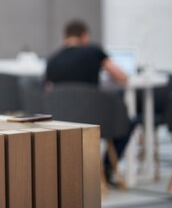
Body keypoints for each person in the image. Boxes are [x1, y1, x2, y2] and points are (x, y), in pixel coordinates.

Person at [45, 19, 132, 186]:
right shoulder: (94, 51)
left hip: (63, 123)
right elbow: (122, 77)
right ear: (85, 36)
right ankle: (105, 170)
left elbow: (48, 91)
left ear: (65, 37)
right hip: (94, 121)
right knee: (128, 122)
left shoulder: (52, 60)